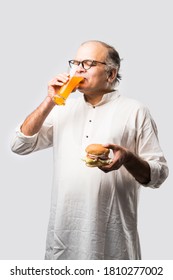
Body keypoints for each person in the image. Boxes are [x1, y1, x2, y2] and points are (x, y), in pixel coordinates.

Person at [11, 40, 169, 260]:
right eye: (75, 63)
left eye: (88, 63)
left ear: (111, 74)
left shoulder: (135, 111)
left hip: (114, 244)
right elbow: (19, 145)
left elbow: (158, 175)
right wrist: (51, 99)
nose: (78, 69)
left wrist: (128, 159)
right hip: (63, 243)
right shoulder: (62, 109)